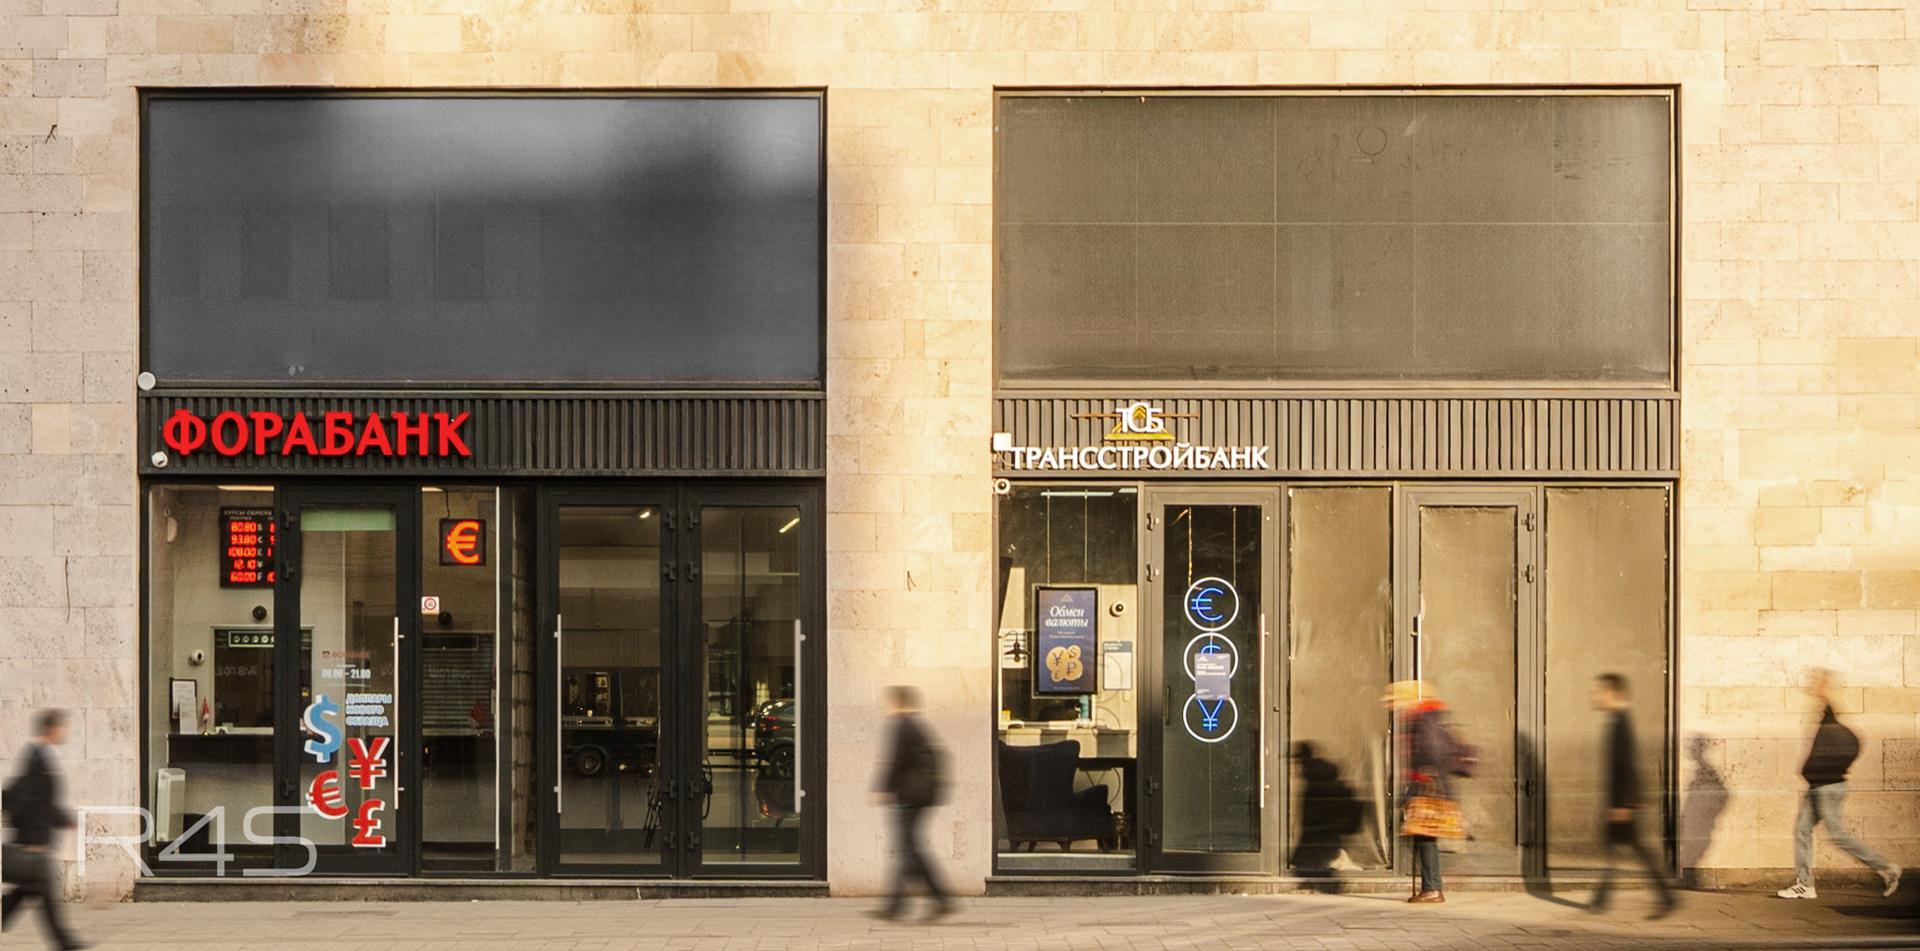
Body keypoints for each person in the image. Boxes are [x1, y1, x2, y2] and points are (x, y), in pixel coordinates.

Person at [1777, 668, 1901, 900]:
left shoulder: (1833, 720)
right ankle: (1805, 884)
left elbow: (1834, 708)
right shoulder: (1825, 720)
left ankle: (1886, 868)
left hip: (1828, 787)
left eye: (1816, 682)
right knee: (1802, 830)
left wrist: (1824, 690)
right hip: (1817, 786)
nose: (1811, 685)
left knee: (1837, 835)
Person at [1587, 674, 1676, 918]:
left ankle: (1665, 898)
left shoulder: (1621, 723)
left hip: (1622, 803)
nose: (1596, 696)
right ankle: (1602, 899)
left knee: (1635, 849)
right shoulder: (1617, 720)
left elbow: (1626, 765)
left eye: (1600, 692)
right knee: (1617, 849)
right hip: (1620, 801)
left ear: (1614, 693)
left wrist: (1622, 804)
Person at [3, 709, 88, 951]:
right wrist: (33, 840)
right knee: (39, 889)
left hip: (35, 836)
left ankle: (63, 941)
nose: (64, 732)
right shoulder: (36, 757)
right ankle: (64, 942)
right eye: (61, 727)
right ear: (51, 728)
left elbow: (43, 801)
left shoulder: (40, 754)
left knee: (27, 890)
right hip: (33, 839)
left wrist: (63, 819)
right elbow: (30, 802)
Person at [872, 686, 951, 921]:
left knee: (908, 850)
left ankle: (935, 899)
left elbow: (897, 760)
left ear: (897, 702)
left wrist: (884, 787)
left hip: (909, 797)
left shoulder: (904, 726)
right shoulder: (916, 725)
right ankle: (903, 904)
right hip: (918, 796)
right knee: (908, 849)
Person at [1386, 680, 1465, 904]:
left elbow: (1433, 754)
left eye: (1395, 700)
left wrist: (1417, 783)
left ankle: (1432, 888)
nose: (1393, 705)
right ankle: (1431, 886)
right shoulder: (1426, 719)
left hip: (1428, 791)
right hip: (1429, 789)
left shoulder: (1423, 721)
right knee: (1424, 838)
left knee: (1425, 838)